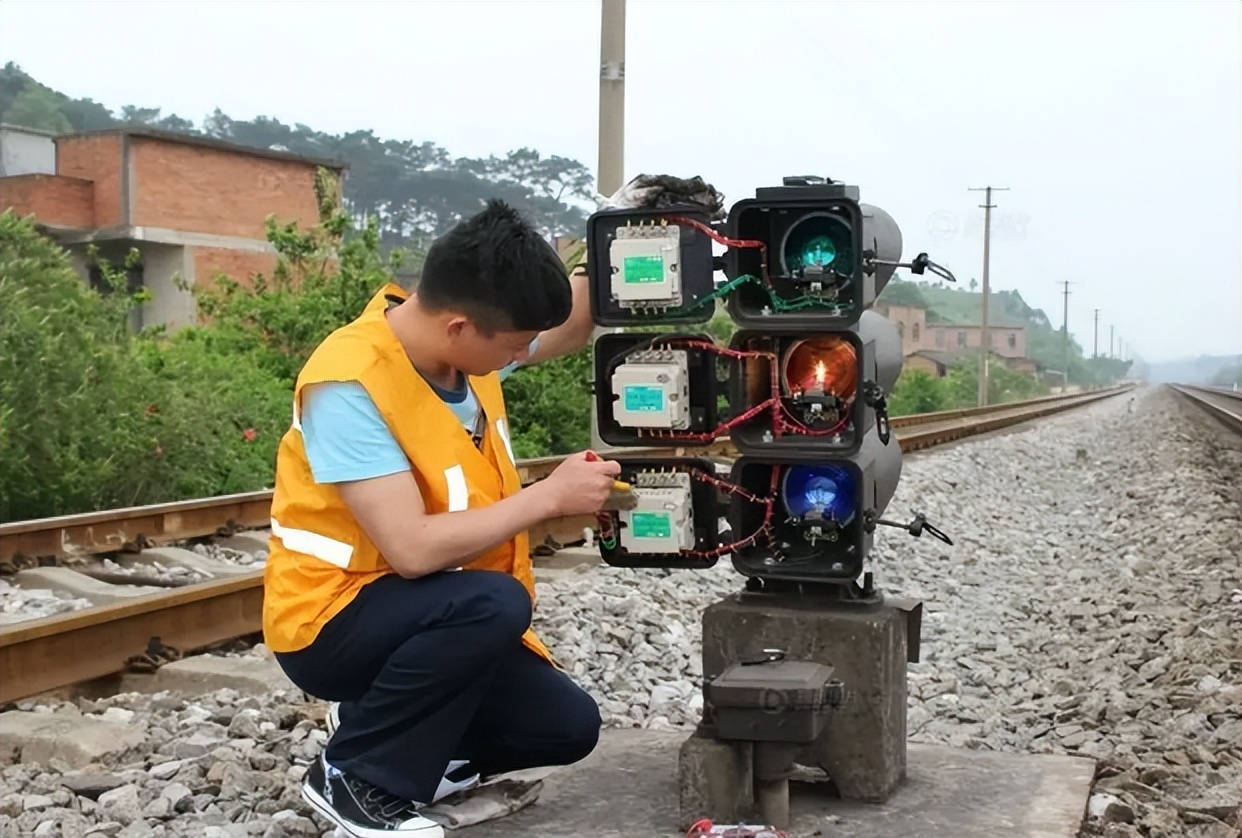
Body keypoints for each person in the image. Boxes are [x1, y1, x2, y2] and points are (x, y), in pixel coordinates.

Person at [261, 199, 621, 838]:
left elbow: (565, 326)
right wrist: (548, 497)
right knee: (493, 603)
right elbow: (412, 551)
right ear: (460, 327)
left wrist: (618, 223)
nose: (524, 353)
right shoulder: (348, 384)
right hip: (328, 622)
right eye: (515, 345)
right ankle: (353, 777)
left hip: (422, 614)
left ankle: (390, 732)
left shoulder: (464, 352)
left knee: (566, 727)